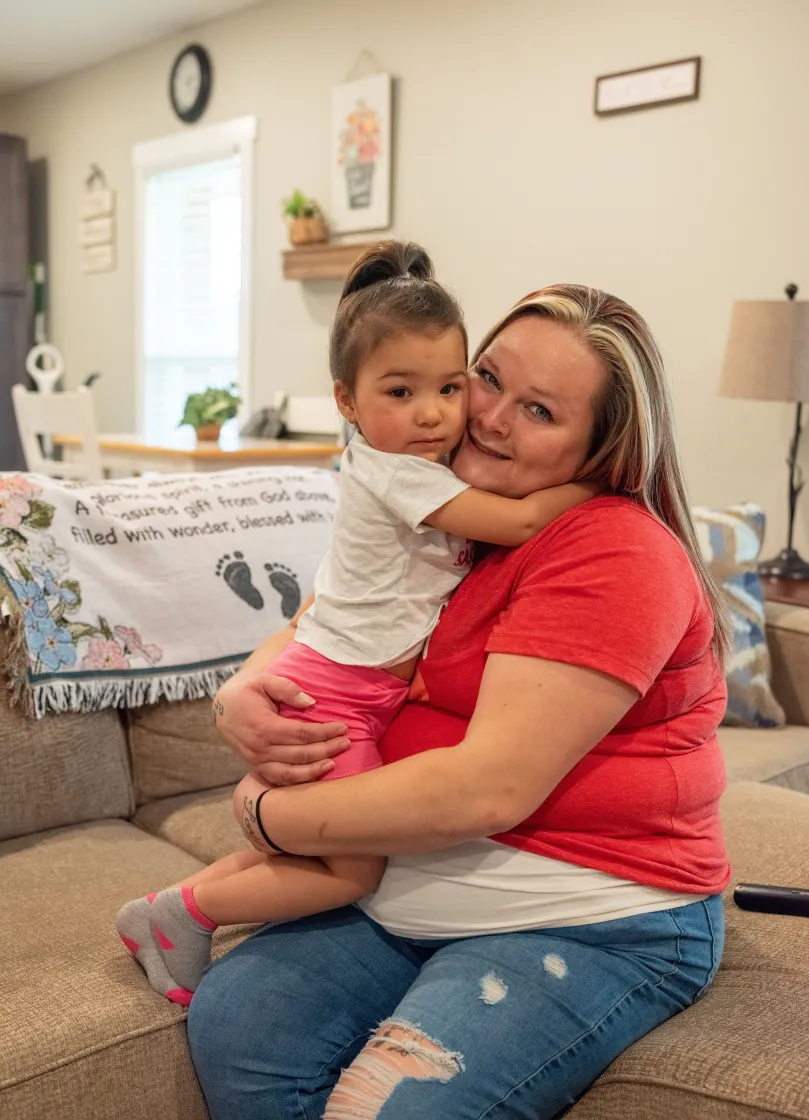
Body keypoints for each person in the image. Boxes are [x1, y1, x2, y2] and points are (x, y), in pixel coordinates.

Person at [188, 268, 732, 1120]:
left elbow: (489, 788)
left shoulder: (612, 550)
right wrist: (242, 691)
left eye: (540, 410)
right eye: (487, 376)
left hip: (587, 906)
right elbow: (327, 617)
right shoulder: (447, 512)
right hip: (417, 884)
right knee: (240, 1022)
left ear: (600, 453)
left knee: (392, 1107)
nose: (485, 415)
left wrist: (266, 813)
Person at [115, 242, 594, 1007]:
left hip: (346, 681)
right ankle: (190, 912)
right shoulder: (394, 470)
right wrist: (603, 484)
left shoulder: (422, 463)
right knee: (352, 872)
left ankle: (170, 913)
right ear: (346, 401)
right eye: (400, 392)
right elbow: (525, 518)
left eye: (449, 386)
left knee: (323, 855)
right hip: (333, 692)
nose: (433, 413)